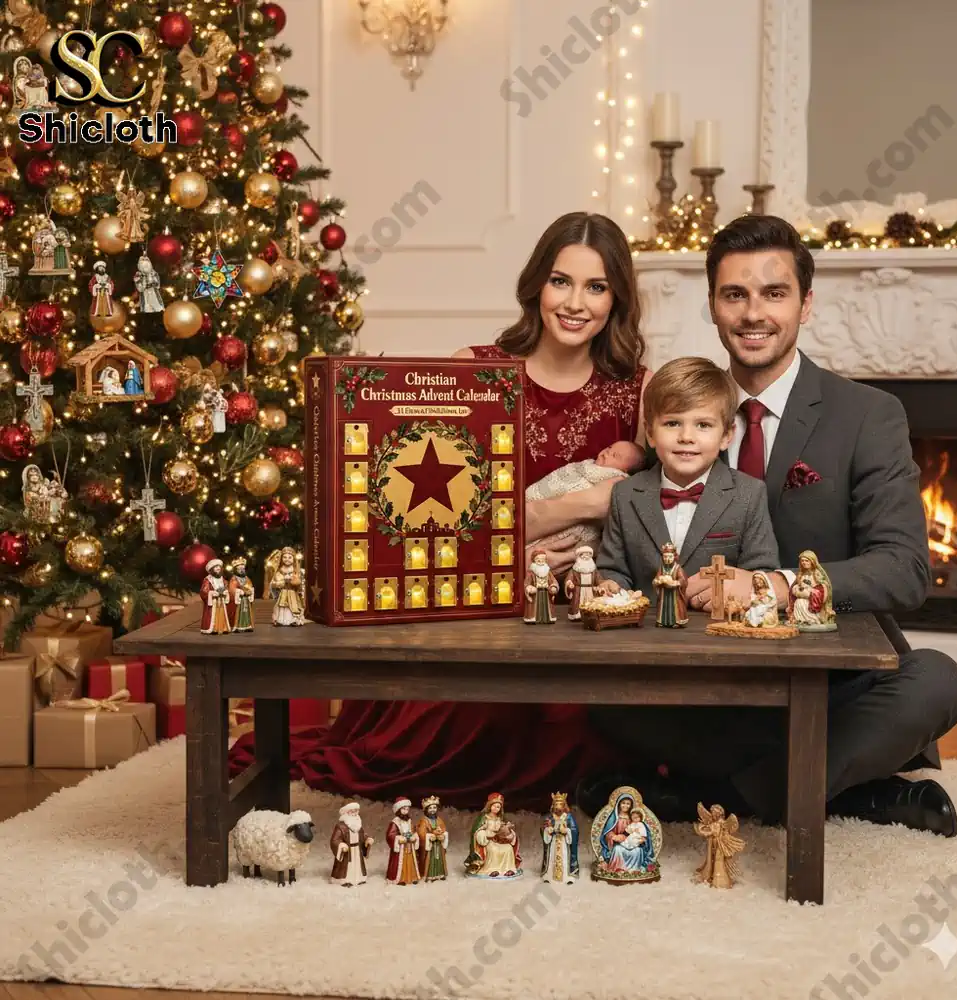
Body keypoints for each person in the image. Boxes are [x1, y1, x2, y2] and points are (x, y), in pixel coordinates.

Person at [230, 211, 652, 809]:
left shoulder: (636, 388)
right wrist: (582, 504)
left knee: (593, 727)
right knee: (446, 722)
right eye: (562, 281)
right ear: (536, 284)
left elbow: (650, 511)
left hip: (579, 604)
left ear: (617, 299)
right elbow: (455, 520)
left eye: (596, 286)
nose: (575, 302)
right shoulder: (474, 367)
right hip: (475, 595)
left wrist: (579, 534)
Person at [583, 214, 957, 837]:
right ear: (712, 305)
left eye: (774, 292)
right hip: (712, 686)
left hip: (832, 681)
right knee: (605, 705)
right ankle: (849, 791)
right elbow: (646, 524)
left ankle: (716, 794)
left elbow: (906, 570)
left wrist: (772, 586)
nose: (753, 312)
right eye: (735, 294)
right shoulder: (682, 412)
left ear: (806, 304)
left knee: (939, 682)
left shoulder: (869, 414)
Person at [594, 355, 780, 611]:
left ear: (726, 435)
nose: (686, 437)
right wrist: (612, 586)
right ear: (650, 433)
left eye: (703, 425)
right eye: (672, 423)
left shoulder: (749, 494)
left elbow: (761, 574)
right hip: (642, 635)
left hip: (720, 630)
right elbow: (613, 568)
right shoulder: (624, 494)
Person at [525, 438, 646, 554]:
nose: (607, 452)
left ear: (624, 471)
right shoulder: (586, 465)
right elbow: (571, 472)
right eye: (609, 447)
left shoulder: (615, 478)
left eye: (615, 456)